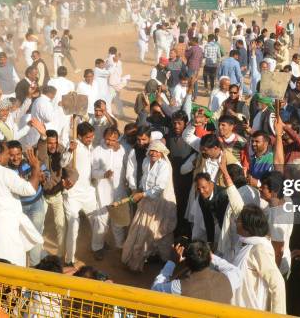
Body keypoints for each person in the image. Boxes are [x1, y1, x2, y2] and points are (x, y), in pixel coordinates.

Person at [122, 140, 177, 272]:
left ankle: (165, 260)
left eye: (157, 151)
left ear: (161, 153)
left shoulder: (164, 166)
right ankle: (135, 263)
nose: (153, 153)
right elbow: (144, 179)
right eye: (152, 150)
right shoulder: (146, 162)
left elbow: (160, 188)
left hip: (160, 203)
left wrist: (142, 195)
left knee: (157, 231)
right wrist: (138, 191)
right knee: (141, 230)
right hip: (146, 200)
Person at [231, 204, 286, 314]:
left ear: (248, 227)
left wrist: (277, 316)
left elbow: (277, 283)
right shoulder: (245, 245)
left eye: (240, 220)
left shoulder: (259, 249)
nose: (236, 221)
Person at [151, 240, 241, 304]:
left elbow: (154, 290)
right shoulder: (228, 279)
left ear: (186, 262)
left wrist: (172, 262)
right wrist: (209, 255)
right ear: (209, 258)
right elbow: (233, 269)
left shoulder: (179, 287)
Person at [63, 122, 101, 266]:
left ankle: (97, 247)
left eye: (92, 136)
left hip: (89, 193)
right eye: (87, 137)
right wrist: (69, 151)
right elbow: (62, 162)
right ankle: (69, 260)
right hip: (72, 195)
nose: (90, 139)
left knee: (97, 222)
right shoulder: (73, 145)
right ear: (79, 136)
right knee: (73, 227)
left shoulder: (90, 147)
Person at [6, 141, 48, 267]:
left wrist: (42, 177)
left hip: (36, 205)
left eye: (18, 154)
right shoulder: (5, 171)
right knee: (19, 237)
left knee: (35, 233)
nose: (15, 158)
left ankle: (35, 266)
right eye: (12, 155)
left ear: (21, 153)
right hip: (18, 208)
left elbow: (45, 173)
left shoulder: (31, 162)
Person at [35, 129, 76, 259]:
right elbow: (41, 155)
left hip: (57, 195)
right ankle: (37, 253)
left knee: (61, 226)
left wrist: (71, 181)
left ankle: (60, 256)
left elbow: (72, 170)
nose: (52, 146)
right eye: (49, 143)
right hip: (42, 195)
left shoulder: (63, 152)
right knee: (38, 225)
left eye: (55, 143)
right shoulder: (39, 151)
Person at [91, 126, 127, 252]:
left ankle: (120, 246)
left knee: (118, 222)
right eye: (108, 139)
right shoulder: (97, 151)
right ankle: (97, 248)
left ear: (118, 139)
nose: (110, 142)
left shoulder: (121, 150)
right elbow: (93, 173)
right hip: (102, 192)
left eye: (113, 140)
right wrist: (103, 174)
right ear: (103, 137)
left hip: (119, 191)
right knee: (101, 221)